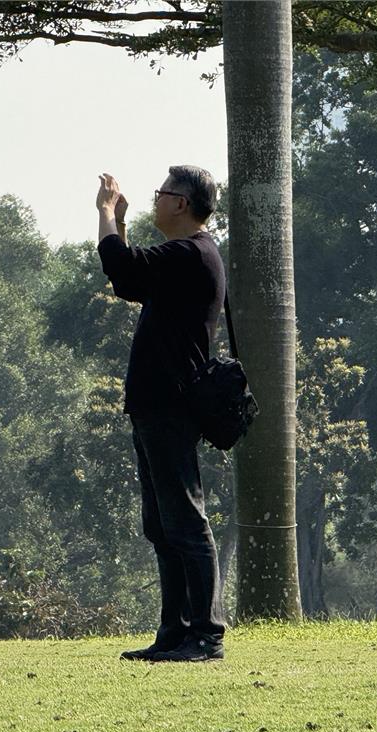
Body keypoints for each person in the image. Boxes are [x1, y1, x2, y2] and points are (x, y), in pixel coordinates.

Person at [95, 166, 227, 662]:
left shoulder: (192, 252)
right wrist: (122, 227)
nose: (156, 199)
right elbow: (130, 282)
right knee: (163, 525)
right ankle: (175, 631)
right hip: (155, 407)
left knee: (186, 522)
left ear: (182, 204)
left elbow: (119, 266)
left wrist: (107, 212)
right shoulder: (184, 257)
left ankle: (205, 634)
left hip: (171, 406)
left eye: (162, 193)